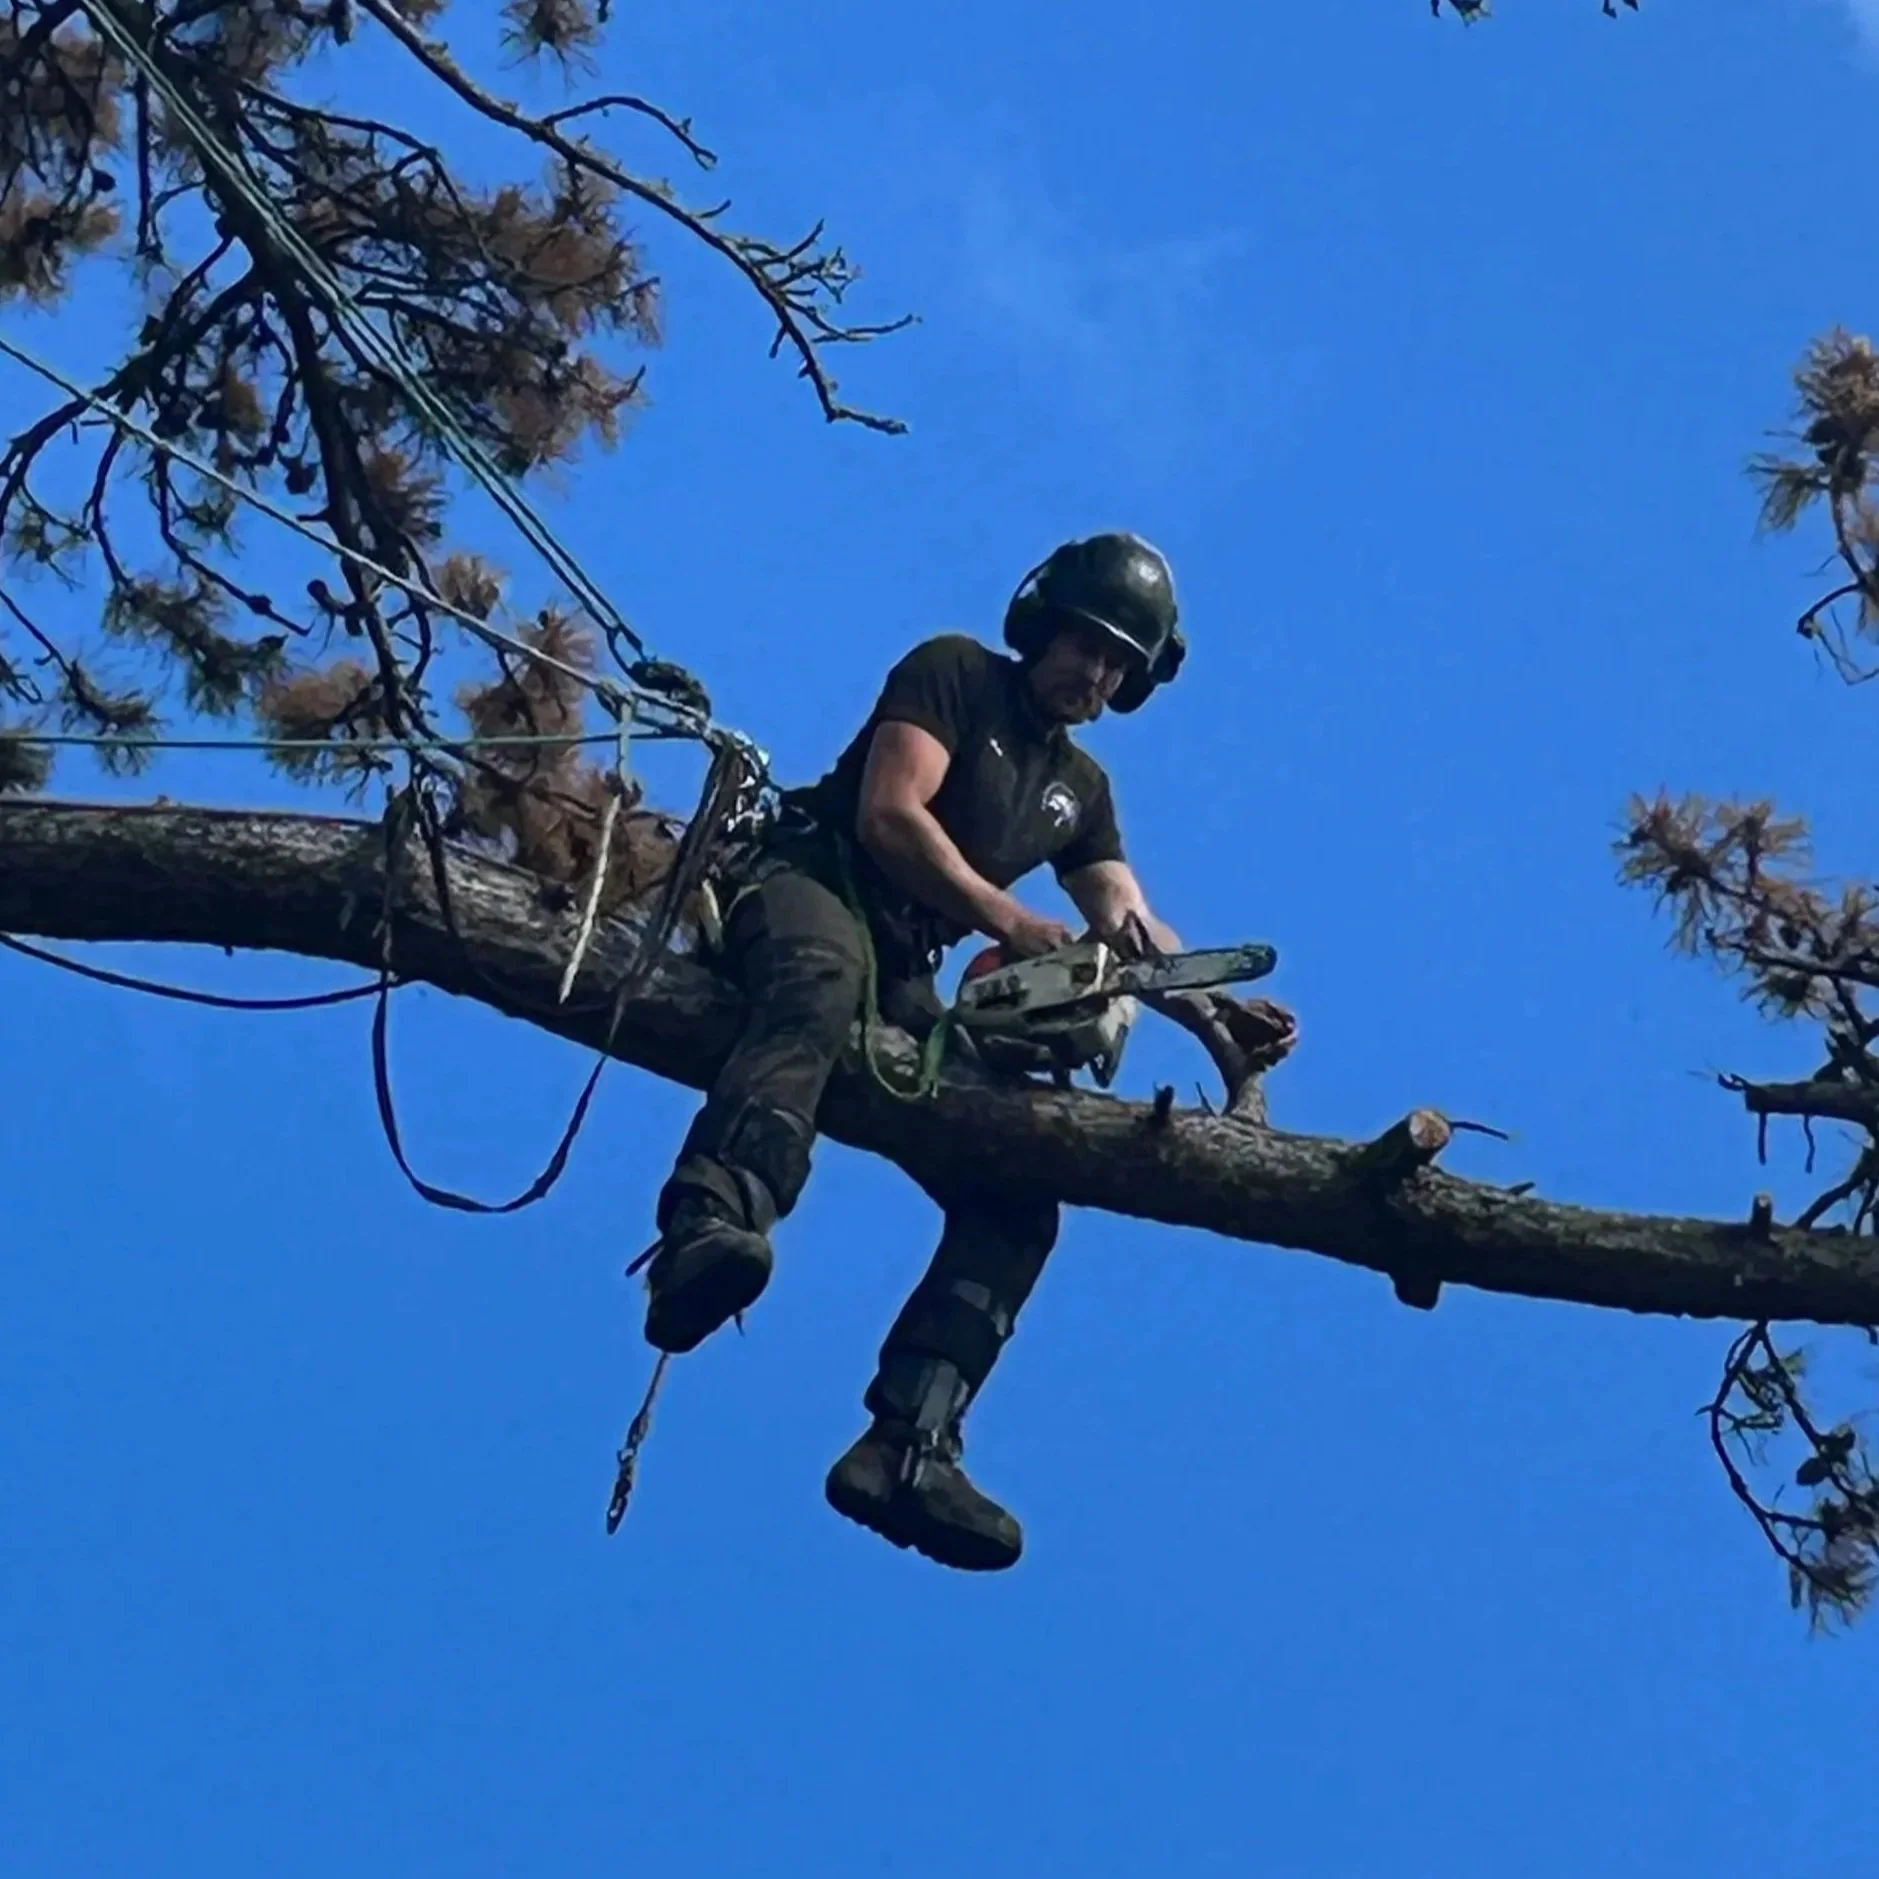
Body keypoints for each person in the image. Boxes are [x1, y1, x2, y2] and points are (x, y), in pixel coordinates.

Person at [640, 532, 1295, 1571]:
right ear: (1046, 626)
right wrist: (1013, 919)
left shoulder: (1078, 785)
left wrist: (1221, 1021)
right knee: (814, 989)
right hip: (809, 882)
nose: (1098, 673)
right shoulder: (953, 673)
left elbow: (1130, 926)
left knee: (1014, 1193)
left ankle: (908, 1445)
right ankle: (710, 1222)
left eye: (1121, 663)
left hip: (903, 969)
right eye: (1088, 644)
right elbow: (890, 815)